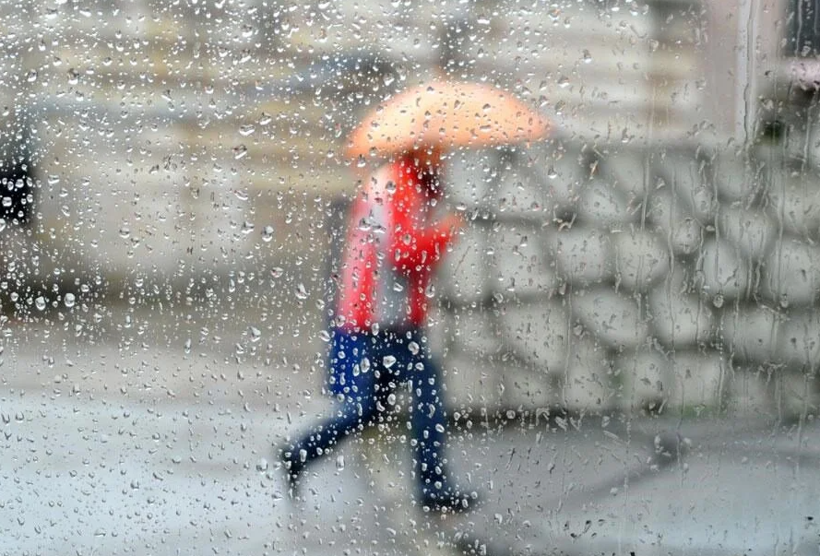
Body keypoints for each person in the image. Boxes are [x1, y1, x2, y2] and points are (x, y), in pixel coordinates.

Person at [279, 145, 476, 513]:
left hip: (386, 320)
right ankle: (432, 487)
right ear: (418, 151)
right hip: (379, 323)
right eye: (438, 152)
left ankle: (299, 451)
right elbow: (402, 254)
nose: (444, 159)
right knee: (424, 393)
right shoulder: (397, 185)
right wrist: (444, 233)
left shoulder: (406, 185)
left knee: (368, 409)